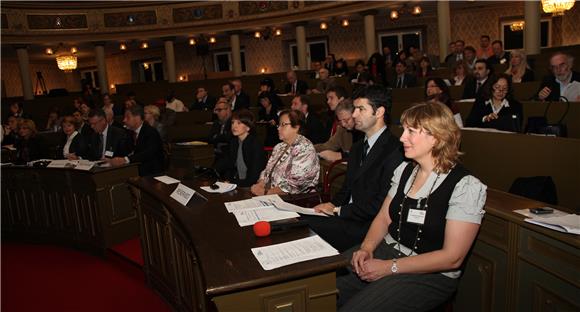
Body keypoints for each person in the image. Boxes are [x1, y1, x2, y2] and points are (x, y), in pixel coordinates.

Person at [336, 102, 487, 311]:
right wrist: (366, 248)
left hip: (430, 274)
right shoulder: (405, 170)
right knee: (321, 286)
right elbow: (383, 218)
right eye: (404, 129)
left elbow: (453, 258)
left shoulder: (466, 186)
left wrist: (390, 267)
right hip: (387, 250)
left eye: (411, 131)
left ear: (436, 137)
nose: (402, 137)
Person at [304, 85, 404, 252]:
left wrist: (337, 210)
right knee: (300, 219)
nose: (354, 114)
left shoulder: (395, 150)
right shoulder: (358, 147)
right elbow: (346, 189)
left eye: (360, 109)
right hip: (347, 217)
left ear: (379, 112)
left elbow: (380, 204)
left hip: (368, 227)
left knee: (306, 228)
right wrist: (329, 206)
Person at [251, 109, 320, 195]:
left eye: (283, 125)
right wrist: (261, 184)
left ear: (297, 127)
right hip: (273, 195)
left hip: (296, 200)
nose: (278, 128)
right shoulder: (279, 147)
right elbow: (267, 170)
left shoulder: (305, 148)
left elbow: (295, 185)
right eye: (279, 125)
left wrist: (266, 192)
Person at [106, 105, 165, 177]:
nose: (124, 120)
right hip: (135, 170)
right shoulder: (130, 132)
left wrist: (125, 160)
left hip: (151, 173)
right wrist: (112, 158)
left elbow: (147, 154)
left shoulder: (151, 132)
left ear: (137, 118)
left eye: (127, 117)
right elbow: (125, 150)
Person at [223, 109, 266, 187]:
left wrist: (233, 183)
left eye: (239, 123)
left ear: (248, 127)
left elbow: (254, 176)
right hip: (239, 183)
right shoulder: (234, 142)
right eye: (233, 122)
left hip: (253, 186)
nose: (234, 126)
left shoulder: (255, 144)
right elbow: (229, 166)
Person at [208, 98, 233, 172]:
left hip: (228, 155)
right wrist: (221, 136)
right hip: (216, 154)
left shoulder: (234, 122)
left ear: (228, 110)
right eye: (216, 110)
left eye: (219, 110)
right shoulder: (216, 123)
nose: (217, 112)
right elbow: (210, 138)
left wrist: (217, 136)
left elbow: (228, 138)